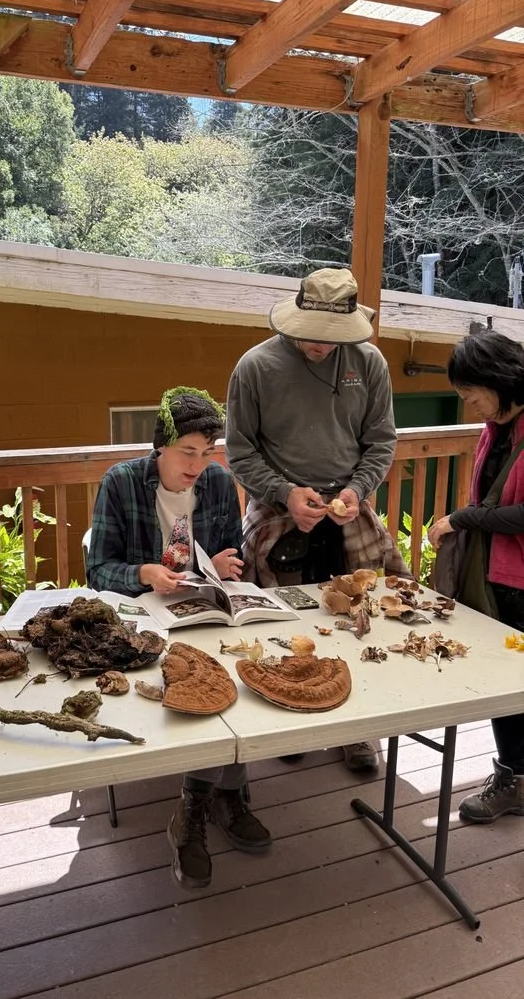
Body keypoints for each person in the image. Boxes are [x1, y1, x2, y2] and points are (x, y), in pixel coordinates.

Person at [226, 267, 410, 774]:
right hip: (277, 503)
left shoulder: (368, 362)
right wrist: (286, 493)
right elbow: (240, 454)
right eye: (311, 334)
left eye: (333, 337)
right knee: (284, 619)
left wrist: (355, 490)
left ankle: (359, 729)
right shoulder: (256, 367)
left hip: (348, 500)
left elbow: (380, 442)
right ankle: (291, 712)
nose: (320, 345)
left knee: (362, 614)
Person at [87, 386, 271, 889]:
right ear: (160, 448)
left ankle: (218, 798)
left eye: (207, 453)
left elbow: (227, 551)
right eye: (187, 452)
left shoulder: (215, 483)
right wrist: (143, 573)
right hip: (142, 624)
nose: (197, 465)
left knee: (237, 678)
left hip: (203, 613)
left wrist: (231, 564)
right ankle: (202, 805)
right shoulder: (122, 482)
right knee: (199, 690)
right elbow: (97, 569)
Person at [428, 331, 524, 823]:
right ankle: (513, 776)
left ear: (498, 379)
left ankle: (513, 781)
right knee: (506, 681)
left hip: (521, 578)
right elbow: (490, 498)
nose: (468, 406)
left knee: (515, 685)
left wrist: (460, 520)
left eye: (471, 394)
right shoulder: (498, 424)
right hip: (499, 573)